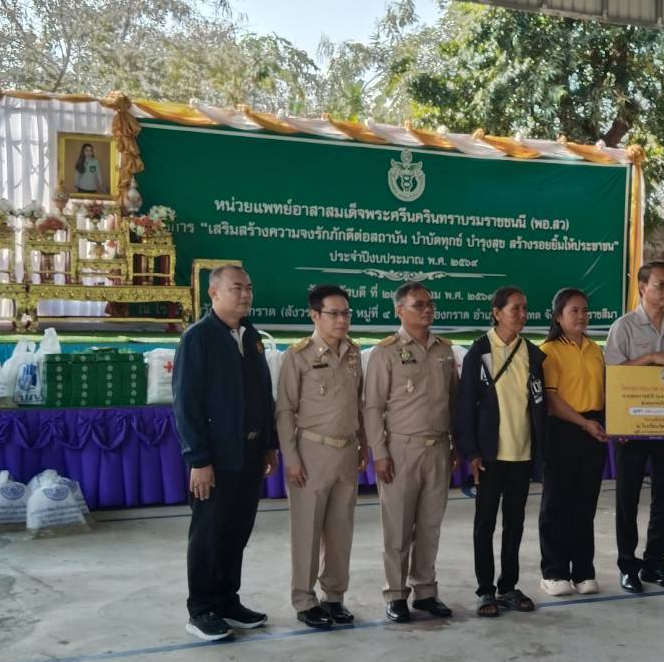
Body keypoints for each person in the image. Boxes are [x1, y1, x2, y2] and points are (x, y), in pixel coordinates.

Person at [173, 265, 279, 641]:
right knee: (208, 534)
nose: (246, 294)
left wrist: (269, 444)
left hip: (249, 453)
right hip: (215, 459)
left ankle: (227, 601)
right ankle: (201, 610)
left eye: (249, 288)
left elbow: (263, 394)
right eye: (237, 288)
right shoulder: (198, 338)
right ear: (214, 293)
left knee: (237, 532)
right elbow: (186, 404)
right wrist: (199, 460)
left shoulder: (251, 336)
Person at [362, 282, 460, 622]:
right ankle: (395, 594)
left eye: (430, 304)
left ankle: (425, 592)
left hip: (438, 448)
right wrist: (379, 452)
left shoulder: (444, 349)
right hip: (401, 449)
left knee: (430, 525)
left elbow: (453, 400)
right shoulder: (386, 352)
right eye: (419, 304)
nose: (427, 310)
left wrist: (456, 444)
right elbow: (372, 406)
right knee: (398, 527)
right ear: (399, 310)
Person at [276, 284, 367, 629]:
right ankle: (304, 599)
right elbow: (285, 411)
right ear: (315, 315)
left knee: (341, 531)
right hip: (311, 453)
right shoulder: (297, 355)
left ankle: (334, 597)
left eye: (346, 313)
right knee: (307, 531)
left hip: (346, 452)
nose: (342, 320)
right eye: (334, 313)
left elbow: (359, 403)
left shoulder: (354, 353)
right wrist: (291, 458)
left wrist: (364, 444)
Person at [604, 261, 664, 592]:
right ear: (642, 287)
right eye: (661, 285)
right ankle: (627, 565)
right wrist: (650, 358)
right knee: (628, 498)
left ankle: (655, 563)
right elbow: (612, 375)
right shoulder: (624, 327)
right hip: (631, 428)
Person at [456, 286, 548, 618]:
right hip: (489, 456)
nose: (522, 315)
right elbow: (464, 406)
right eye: (515, 309)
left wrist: (540, 451)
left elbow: (538, 405)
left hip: (522, 455)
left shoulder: (532, 354)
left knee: (515, 522)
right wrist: (471, 452)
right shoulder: (479, 352)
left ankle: (508, 586)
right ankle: (485, 589)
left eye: (524, 308)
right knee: (485, 523)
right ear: (496, 313)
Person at [537, 288, 607, 596]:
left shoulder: (595, 349)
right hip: (563, 430)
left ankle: (582, 570)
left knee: (585, 504)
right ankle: (553, 571)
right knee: (557, 503)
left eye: (585, 310)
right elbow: (551, 400)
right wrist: (583, 423)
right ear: (558, 317)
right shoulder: (548, 351)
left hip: (594, 429)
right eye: (574, 311)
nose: (581, 316)